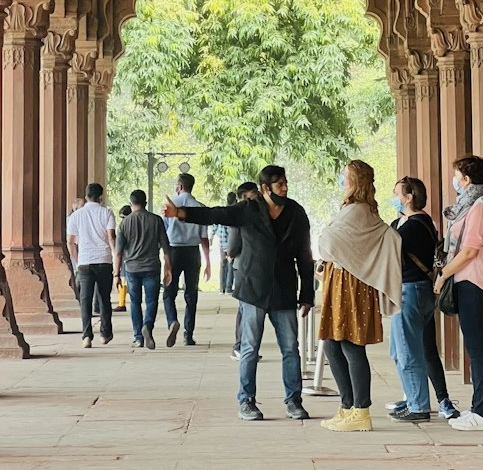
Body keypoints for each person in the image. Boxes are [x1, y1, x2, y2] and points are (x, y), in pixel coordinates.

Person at [164, 164, 314, 421]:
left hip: (285, 290)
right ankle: (246, 401)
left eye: (286, 183)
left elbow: (305, 254)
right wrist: (180, 212)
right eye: (280, 184)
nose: (285, 188)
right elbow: (215, 214)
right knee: (250, 349)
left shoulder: (296, 213)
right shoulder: (248, 210)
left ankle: (293, 401)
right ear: (266, 189)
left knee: (291, 348)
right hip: (253, 290)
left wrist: (307, 293)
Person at [317, 159, 402, 434]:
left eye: (346, 177)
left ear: (356, 182)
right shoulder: (355, 209)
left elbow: (329, 242)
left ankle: (361, 410)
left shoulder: (357, 210)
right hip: (341, 283)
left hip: (351, 286)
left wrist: (326, 242)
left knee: (351, 344)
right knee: (332, 343)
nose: (342, 182)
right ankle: (348, 406)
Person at [434, 154, 483, 432]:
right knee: (474, 348)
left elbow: (470, 251)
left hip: (473, 280)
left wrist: (444, 274)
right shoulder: (470, 205)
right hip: (469, 280)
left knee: (477, 349)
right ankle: (477, 407)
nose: (455, 180)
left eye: (457, 175)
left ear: (466, 179)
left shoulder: (478, 207)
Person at [386, 176, 460, 423]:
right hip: (414, 291)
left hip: (410, 290)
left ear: (409, 198)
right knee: (402, 349)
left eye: (397, 193)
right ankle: (413, 397)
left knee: (409, 350)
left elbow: (389, 252)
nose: (394, 197)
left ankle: (419, 406)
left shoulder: (414, 226)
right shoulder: (406, 223)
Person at [115, 190, 172, 349]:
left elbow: (118, 252)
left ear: (131, 203)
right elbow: (166, 248)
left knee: (135, 302)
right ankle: (148, 325)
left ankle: (139, 337)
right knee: (152, 301)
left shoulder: (125, 223)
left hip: (132, 268)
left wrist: (116, 274)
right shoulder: (156, 220)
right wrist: (169, 268)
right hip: (152, 267)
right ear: (145, 202)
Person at [162, 172, 212, 346]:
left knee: (169, 292)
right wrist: (208, 263)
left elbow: (163, 233)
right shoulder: (200, 207)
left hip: (174, 251)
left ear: (180, 186)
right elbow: (204, 238)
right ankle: (188, 334)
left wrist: (165, 258)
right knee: (191, 294)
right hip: (193, 252)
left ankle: (172, 321)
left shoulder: (170, 206)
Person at [67, 182, 116, 349]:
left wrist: (77, 259)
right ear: (101, 197)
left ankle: (86, 335)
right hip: (104, 260)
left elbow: (70, 242)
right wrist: (115, 259)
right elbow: (111, 238)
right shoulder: (107, 212)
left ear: (86, 196)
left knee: (85, 300)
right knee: (104, 298)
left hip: (85, 262)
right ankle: (105, 333)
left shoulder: (76, 215)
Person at [228, 181, 259, 360]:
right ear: (245, 196)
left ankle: (244, 346)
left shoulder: (241, 213)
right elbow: (232, 245)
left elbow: (232, 248)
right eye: (253, 193)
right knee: (244, 308)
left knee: (247, 308)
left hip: (241, 264)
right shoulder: (239, 213)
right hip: (244, 267)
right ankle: (241, 346)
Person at [213, 192, 239, 293]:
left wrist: (211, 238)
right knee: (230, 265)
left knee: (222, 265)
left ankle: (221, 288)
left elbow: (214, 227)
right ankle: (228, 288)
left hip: (221, 244)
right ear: (235, 201)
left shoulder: (223, 211)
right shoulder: (234, 213)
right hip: (230, 243)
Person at [114, 205, 132, 311]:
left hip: (127, 255)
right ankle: (122, 302)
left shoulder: (124, 227)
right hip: (126, 255)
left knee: (124, 278)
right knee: (124, 279)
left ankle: (122, 303)